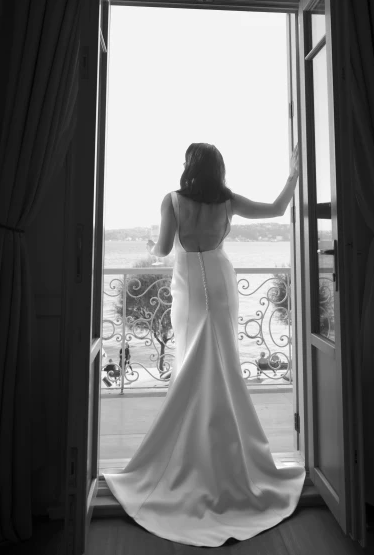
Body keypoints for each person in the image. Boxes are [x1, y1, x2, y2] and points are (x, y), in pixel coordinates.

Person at [103, 142, 303, 547]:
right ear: (219, 169)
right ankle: (227, 446)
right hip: (220, 277)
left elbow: (162, 249)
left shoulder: (172, 200)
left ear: (189, 167)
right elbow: (277, 209)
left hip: (189, 283)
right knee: (223, 361)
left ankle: (189, 445)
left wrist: (145, 243)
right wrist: (294, 176)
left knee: (190, 359)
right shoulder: (228, 201)